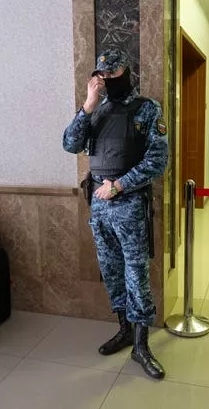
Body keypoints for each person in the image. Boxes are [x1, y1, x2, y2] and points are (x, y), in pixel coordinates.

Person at [62, 49, 169, 380]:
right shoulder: (98, 110)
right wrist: (87, 105)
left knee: (136, 276)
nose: (108, 79)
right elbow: (69, 144)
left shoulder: (147, 109)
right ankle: (124, 330)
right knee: (111, 273)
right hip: (100, 209)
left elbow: (157, 161)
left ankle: (141, 345)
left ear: (128, 71)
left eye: (114, 72)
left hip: (129, 206)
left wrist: (120, 186)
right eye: (103, 75)